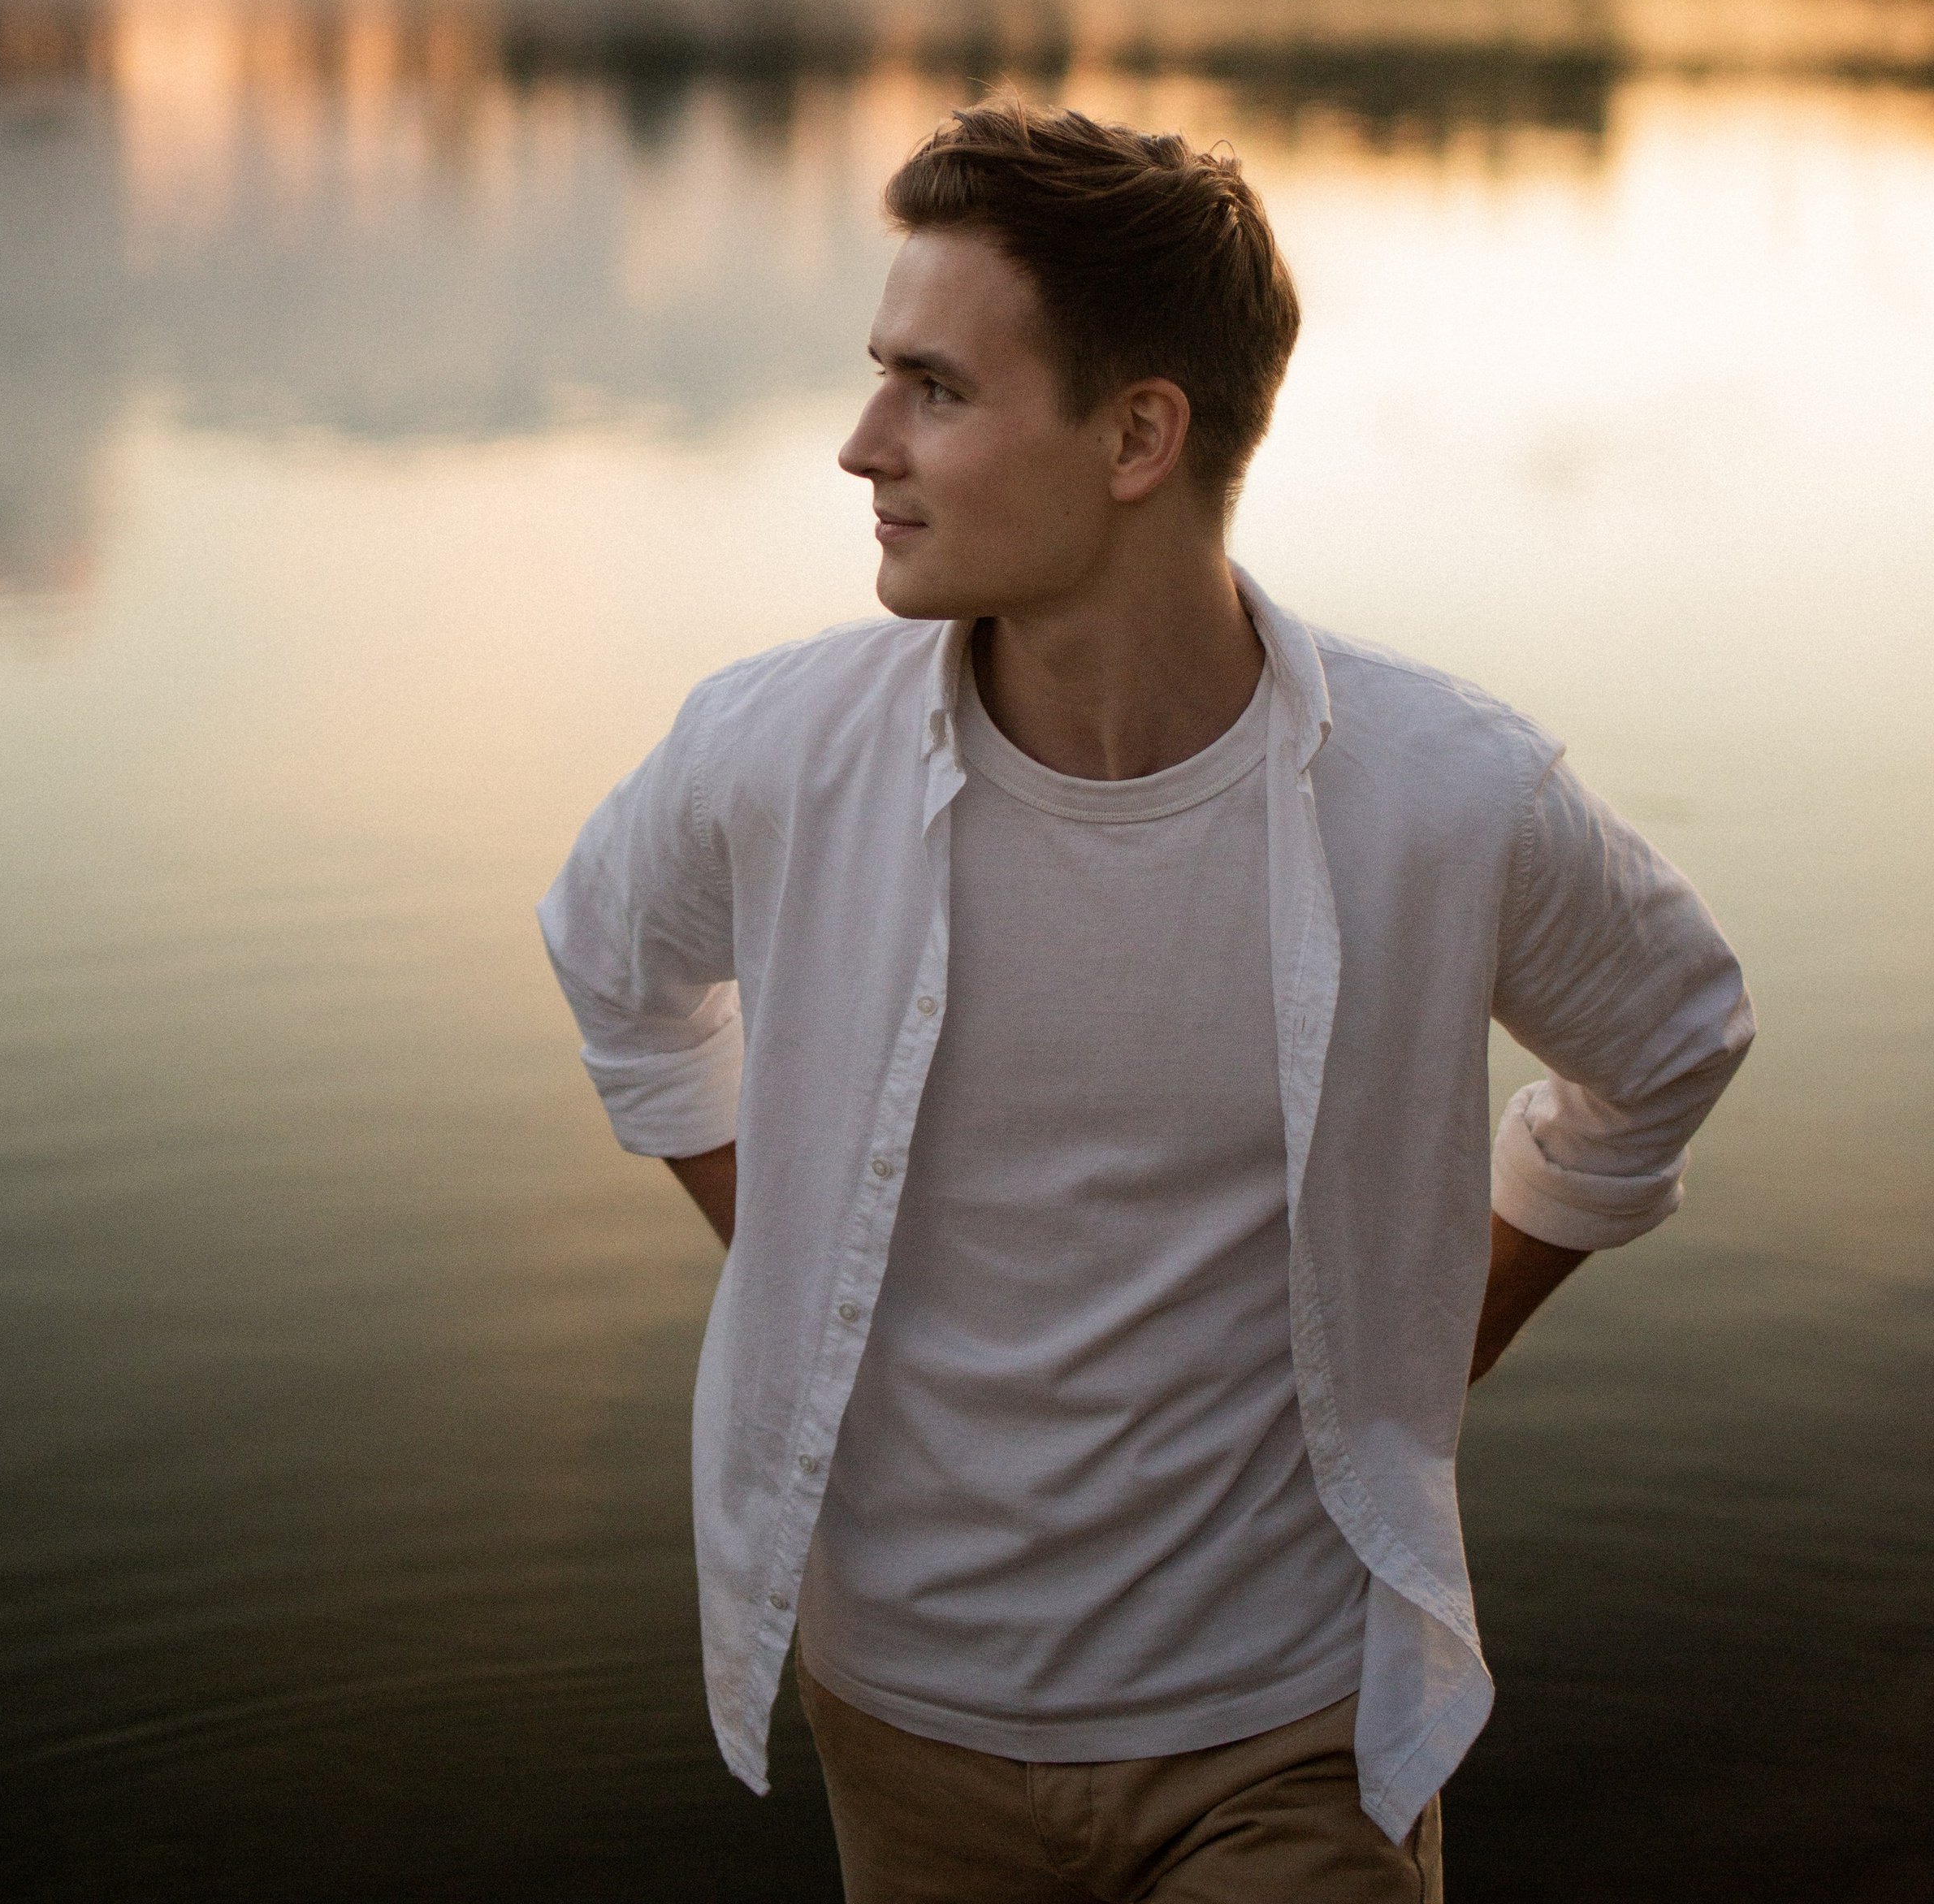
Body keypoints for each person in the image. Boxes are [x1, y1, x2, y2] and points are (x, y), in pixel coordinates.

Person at [540, 102, 1752, 1902]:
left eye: (935, 390)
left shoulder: (1442, 795)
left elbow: (1666, 1039)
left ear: (1136, 435)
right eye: (878, 377)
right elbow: (618, 978)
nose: (862, 443)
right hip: (907, 1713)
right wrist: (796, 1250)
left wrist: (1428, 1347)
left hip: (1286, 1723)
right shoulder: (773, 753)